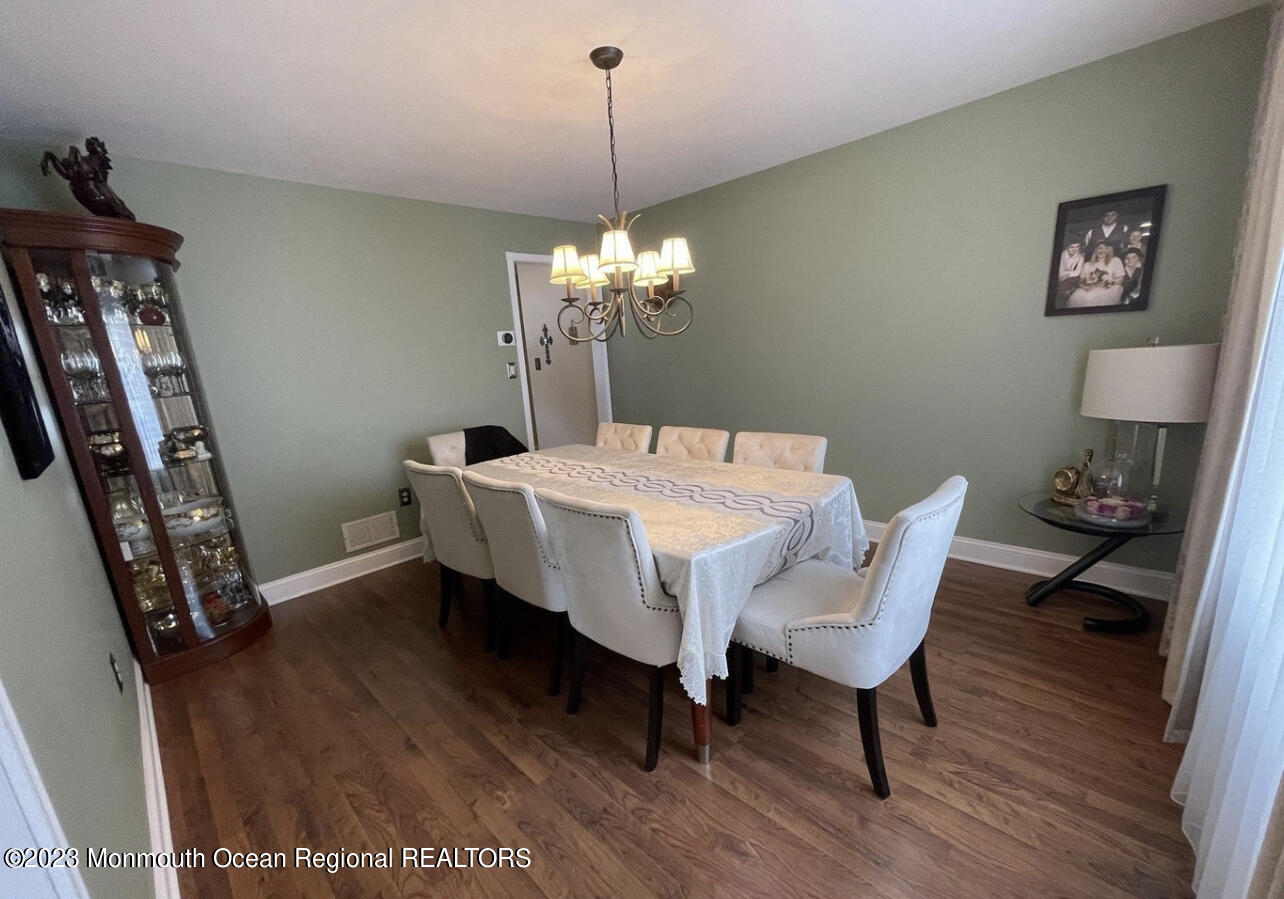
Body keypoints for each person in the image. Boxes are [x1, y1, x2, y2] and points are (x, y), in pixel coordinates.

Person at [1066, 241, 1125, 308]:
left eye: (1105, 248)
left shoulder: (1115, 261)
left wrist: (1109, 282)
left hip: (1109, 287)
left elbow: (1120, 278)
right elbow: (1081, 280)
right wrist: (1085, 286)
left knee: (1092, 298)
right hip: (1091, 287)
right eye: (1099, 248)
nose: (1102, 251)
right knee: (1076, 298)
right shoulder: (1087, 264)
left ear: (1109, 250)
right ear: (1095, 250)